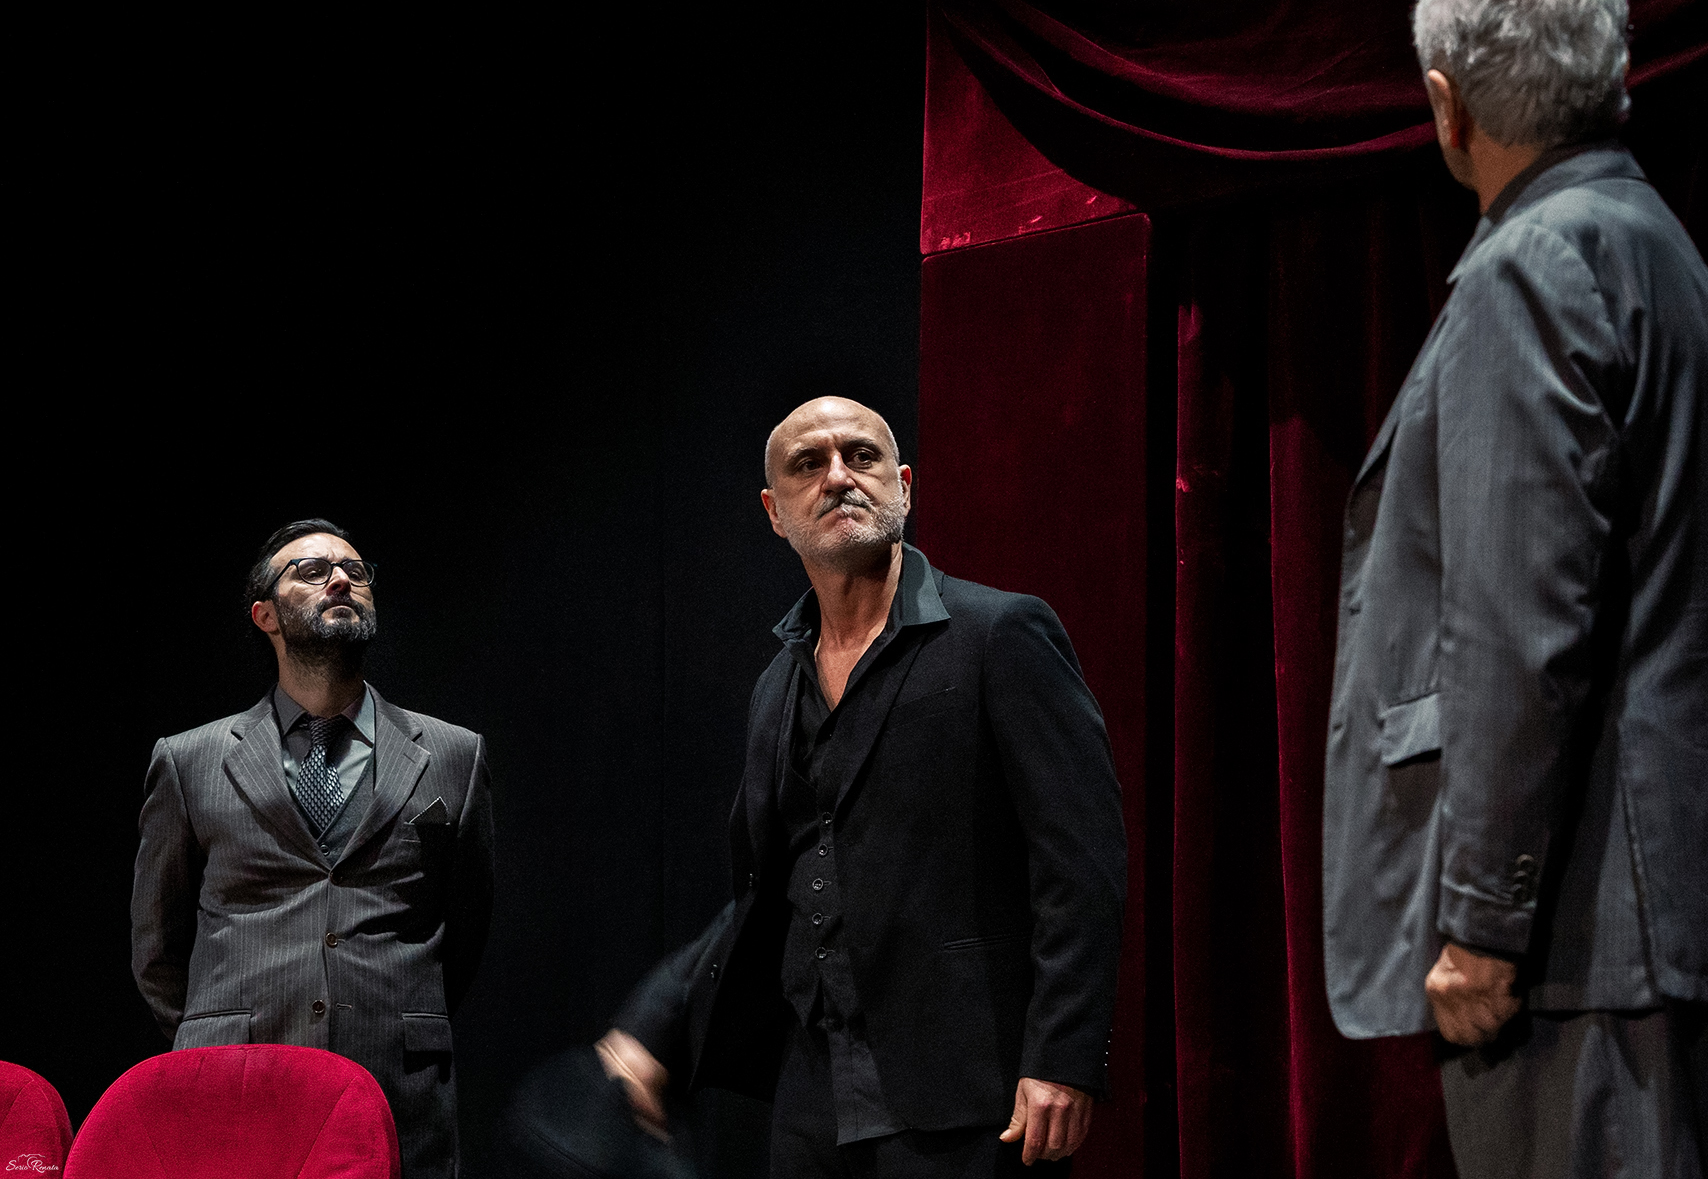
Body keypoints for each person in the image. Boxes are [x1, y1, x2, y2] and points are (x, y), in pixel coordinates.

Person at [1321, 0, 1708, 1179]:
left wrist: (1481, 920)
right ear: (1614, 75)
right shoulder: (1676, 266)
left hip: (1570, 931)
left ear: (1448, 106)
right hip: (1652, 910)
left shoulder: (1530, 265)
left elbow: (1519, 626)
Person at [594, 396, 1126, 1178]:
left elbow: (1081, 863)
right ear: (775, 514)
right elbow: (776, 889)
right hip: (814, 1095)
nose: (839, 477)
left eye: (862, 456)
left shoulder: (1000, 635)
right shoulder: (777, 686)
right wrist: (656, 1020)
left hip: (972, 1092)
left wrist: (1063, 1055)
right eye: (809, 464)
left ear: (903, 487)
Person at [132, 519, 494, 1179]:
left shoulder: (454, 755)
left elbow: (464, 928)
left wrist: (390, 1011)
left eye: (356, 572)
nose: (341, 581)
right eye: (312, 571)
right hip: (236, 1088)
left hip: (396, 1088)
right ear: (265, 615)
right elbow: (157, 947)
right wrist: (220, 1032)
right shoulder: (189, 761)